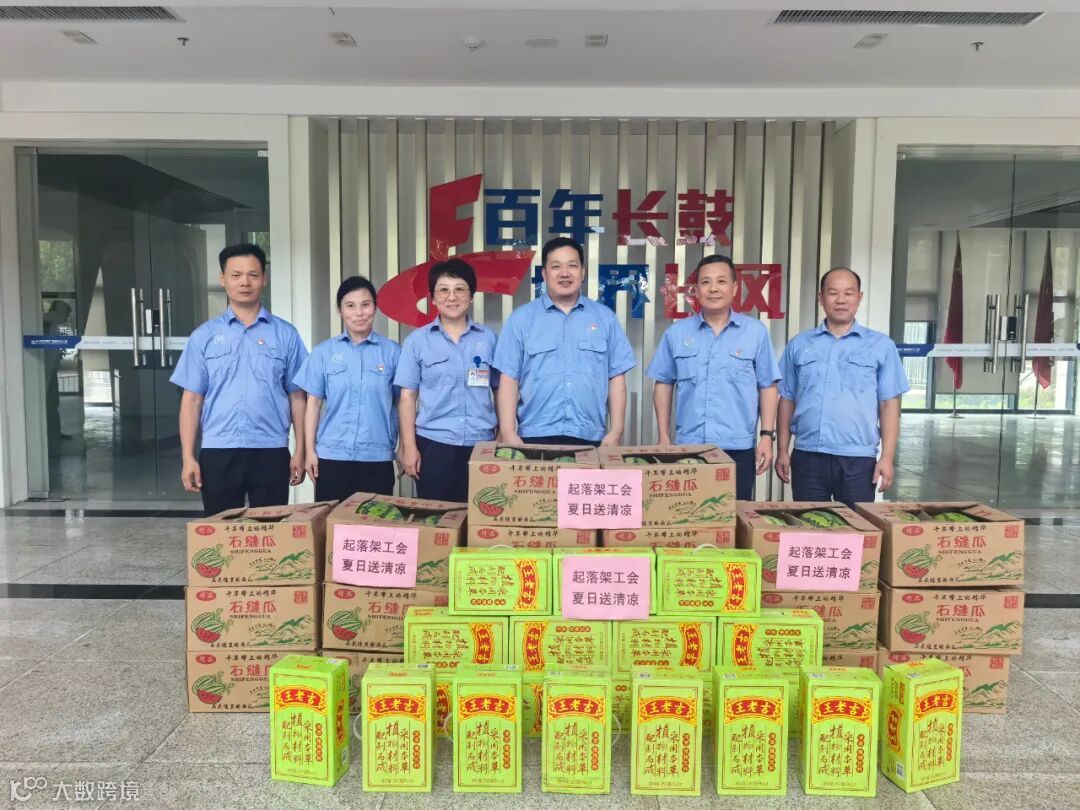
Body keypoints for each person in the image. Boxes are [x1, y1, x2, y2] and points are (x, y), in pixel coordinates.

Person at [171, 243, 307, 516]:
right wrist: (188, 456)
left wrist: (300, 450)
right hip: (219, 450)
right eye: (236, 275)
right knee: (221, 530)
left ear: (264, 279)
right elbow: (192, 399)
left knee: (270, 530)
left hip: (270, 449)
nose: (245, 282)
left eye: (253, 275)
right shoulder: (204, 336)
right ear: (223, 279)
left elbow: (297, 396)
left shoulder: (286, 335)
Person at [647, 255, 780, 500]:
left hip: (738, 448)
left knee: (735, 516)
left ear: (735, 288)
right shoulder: (676, 333)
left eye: (721, 281)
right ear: (696, 290)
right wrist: (663, 436)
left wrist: (766, 437)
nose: (714, 288)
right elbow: (663, 383)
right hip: (689, 447)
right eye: (706, 282)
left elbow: (768, 386)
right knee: (686, 515)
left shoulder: (755, 333)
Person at [774, 267, 909, 507]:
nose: (840, 300)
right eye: (833, 292)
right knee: (810, 523)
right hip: (808, 456)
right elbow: (787, 399)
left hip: (858, 459)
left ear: (859, 297)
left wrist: (887, 458)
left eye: (848, 293)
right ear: (821, 298)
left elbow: (889, 404)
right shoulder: (799, 344)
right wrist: (782, 450)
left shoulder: (881, 346)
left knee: (856, 527)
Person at [493, 236, 635, 446]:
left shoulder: (606, 319)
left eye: (572, 266)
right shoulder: (521, 319)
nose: (565, 273)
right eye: (556, 266)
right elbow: (509, 378)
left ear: (583, 272)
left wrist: (616, 431)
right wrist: (507, 431)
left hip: (590, 437)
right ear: (544, 274)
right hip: (533, 436)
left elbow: (616, 378)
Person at [395, 259, 497, 502]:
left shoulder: (488, 338)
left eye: (459, 289)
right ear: (432, 298)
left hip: (482, 443)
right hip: (434, 444)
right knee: (437, 517)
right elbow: (407, 397)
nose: (452, 297)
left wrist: (504, 431)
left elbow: (501, 388)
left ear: (471, 296)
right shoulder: (418, 341)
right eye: (443, 290)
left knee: (479, 514)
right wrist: (409, 446)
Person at [292, 276, 401, 503]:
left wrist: (404, 446)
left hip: (377, 456)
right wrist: (310, 451)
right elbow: (313, 404)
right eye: (350, 306)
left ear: (375, 307)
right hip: (332, 457)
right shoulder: (323, 353)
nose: (359, 313)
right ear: (340, 310)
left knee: (375, 523)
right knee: (331, 522)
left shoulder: (393, 352)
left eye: (365, 305)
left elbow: (403, 403)